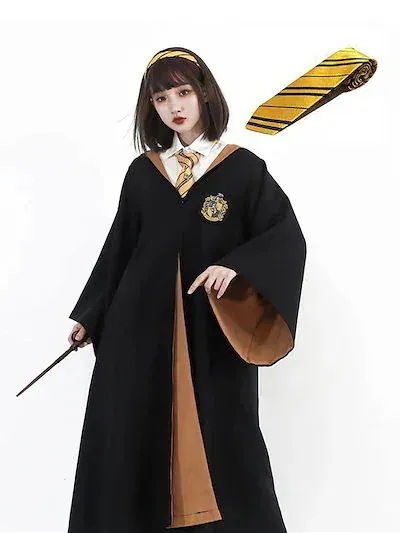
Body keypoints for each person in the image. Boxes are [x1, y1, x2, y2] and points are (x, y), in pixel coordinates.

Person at [66, 46, 307, 533]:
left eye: (183, 92)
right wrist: (89, 314)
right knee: (134, 435)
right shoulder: (144, 173)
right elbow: (120, 248)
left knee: (228, 438)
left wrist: (235, 265)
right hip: (139, 333)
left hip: (213, 331)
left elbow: (284, 237)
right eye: (161, 98)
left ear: (204, 94)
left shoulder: (242, 169)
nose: (174, 106)